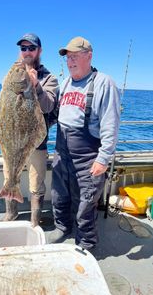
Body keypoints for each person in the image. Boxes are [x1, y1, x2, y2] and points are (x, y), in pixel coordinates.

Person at [48, 36, 121, 249]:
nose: (70, 62)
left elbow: (111, 125)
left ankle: (86, 243)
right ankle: (62, 227)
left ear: (89, 56)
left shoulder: (103, 83)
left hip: (88, 155)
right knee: (59, 194)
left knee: (85, 202)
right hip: (62, 149)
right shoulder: (66, 82)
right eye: (67, 58)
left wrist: (104, 158)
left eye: (75, 57)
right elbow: (55, 114)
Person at [2, 33, 59, 227]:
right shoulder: (13, 71)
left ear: (39, 51)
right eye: (23, 48)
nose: (27, 52)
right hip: (12, 140)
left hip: (37, 141)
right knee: (9, 176)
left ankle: (35, 221)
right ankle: (11, 214)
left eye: (31, 48)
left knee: (36, 185)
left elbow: (49, 106)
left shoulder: (48, 78)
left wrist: (36, 86)